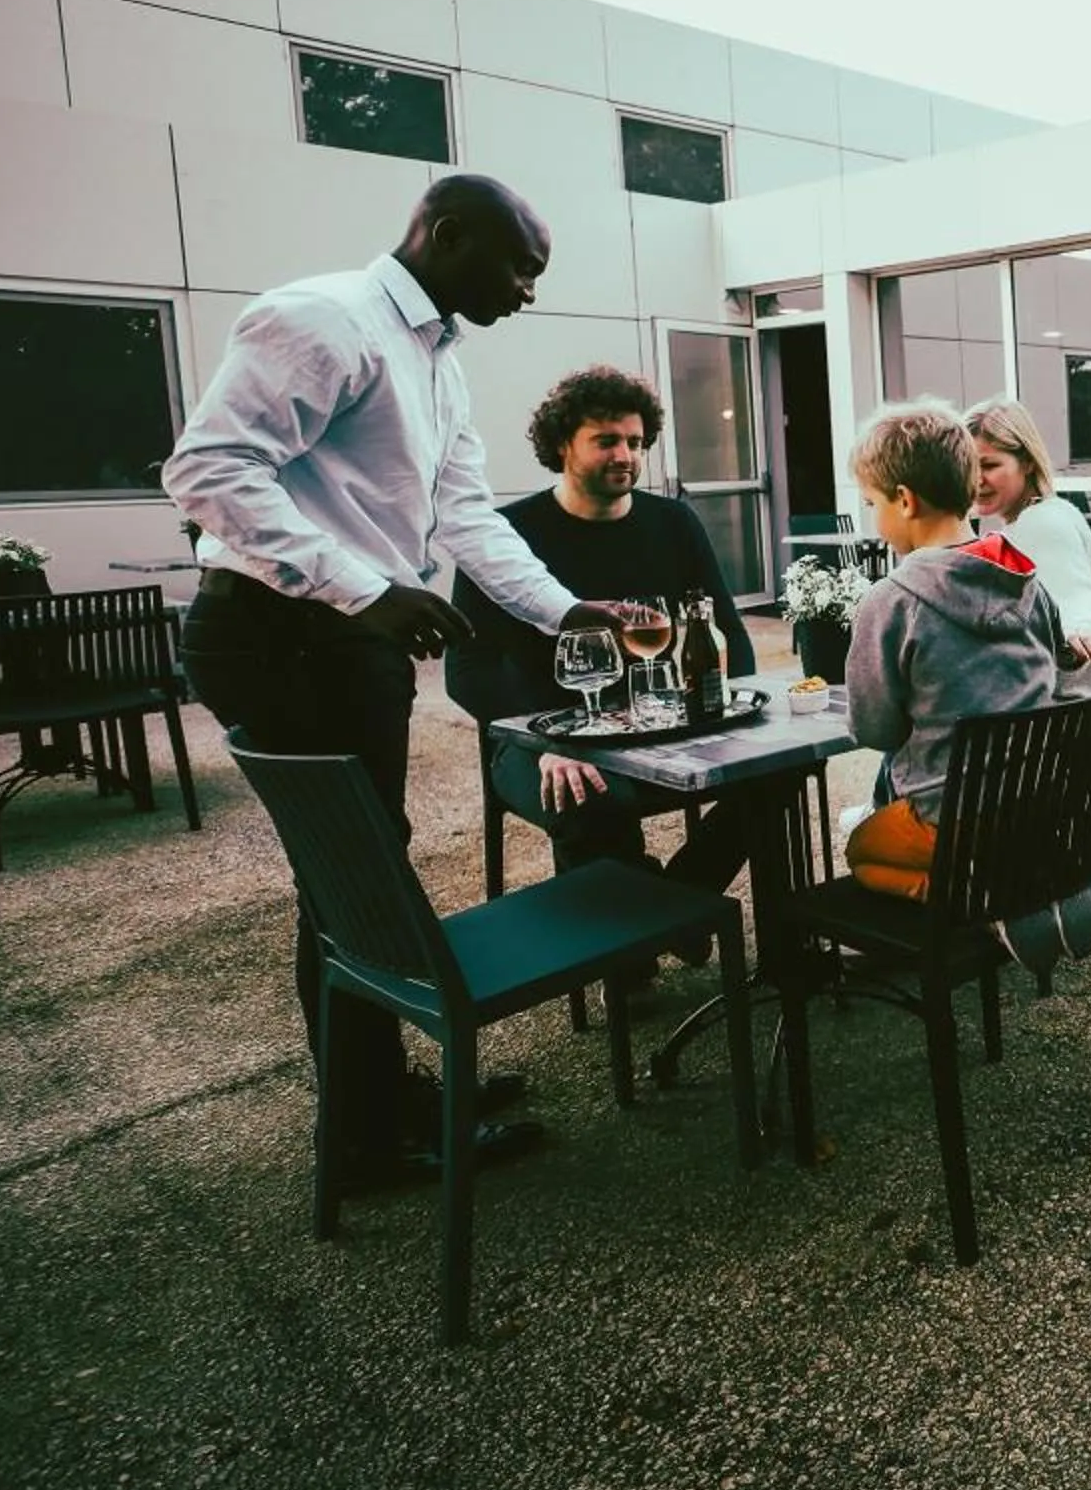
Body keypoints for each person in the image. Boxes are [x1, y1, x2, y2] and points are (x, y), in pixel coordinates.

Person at [163, 174, 623, 1191]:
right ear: (445, 235)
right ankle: (369, 1135)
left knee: (366, 867)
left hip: (346, 640)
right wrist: (363, 589)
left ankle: (380, 1094)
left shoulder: (438, 361)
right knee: (351, 875)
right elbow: (206, 472)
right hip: (275, 634)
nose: (528, 291)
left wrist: (564, 610)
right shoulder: (324, 318)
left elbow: (465, 515)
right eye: (519, 267)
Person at [445, 365, 756, 895]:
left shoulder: (672, 523)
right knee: (589, 796)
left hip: (658, 726)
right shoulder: (506, 536)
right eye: (606, 440)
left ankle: (679, 902)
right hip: (542, 742)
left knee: (778, 774)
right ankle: (630, 968)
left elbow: (730, 638)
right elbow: (467, 670)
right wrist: (543, 740)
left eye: (636, 442)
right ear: (562, 444)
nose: (626, 456)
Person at [839, 400, 1090, 966]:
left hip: (953, 825)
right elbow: (1051, 662)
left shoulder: (892, 600)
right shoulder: (1024, 576)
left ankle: (981, 896)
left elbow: (876, 729)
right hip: (1034, 807)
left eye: (872, 503)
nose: (873, 518)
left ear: (904, 500)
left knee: (861, 850)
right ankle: (1029, 878)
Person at [964, 396, 1091, 698]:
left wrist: (1080, 626)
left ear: (1028, 461)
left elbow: (1083, 597)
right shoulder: (1052, 510)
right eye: (967, 467)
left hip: (1084, 722)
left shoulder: (1041, 523)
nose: (977, 479)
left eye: (990, 465)